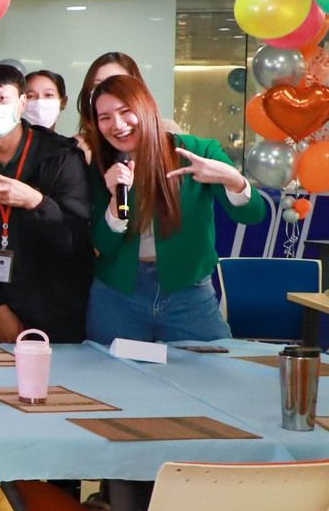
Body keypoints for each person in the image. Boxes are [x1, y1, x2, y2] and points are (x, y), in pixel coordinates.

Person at [87, 73, 263, 344]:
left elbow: (253, 214)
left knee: (213, 364)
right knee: (110, 369)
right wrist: (114, 200)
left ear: (146, 107)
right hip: (119, 294)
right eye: (105, 118)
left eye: (125, 111)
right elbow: (104, 245)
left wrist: (232, 179)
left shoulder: (197, 151)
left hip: (188, 291)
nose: (118, 125)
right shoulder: (101, 165)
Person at [0, 63, 92, 342]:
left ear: (21, 103)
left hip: (55, 306)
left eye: (0, 98)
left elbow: (76, 239)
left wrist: (37, 202)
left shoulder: (60, 156)